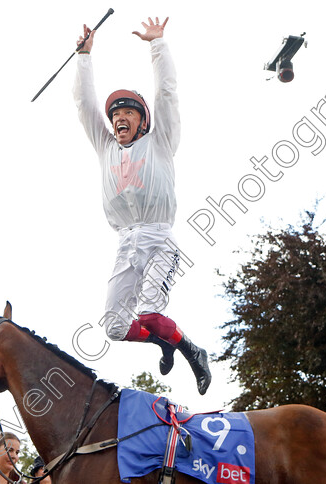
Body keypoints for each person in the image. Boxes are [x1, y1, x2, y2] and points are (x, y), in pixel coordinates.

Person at [73, 16, 211, 394]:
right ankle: (163, 340)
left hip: (158, 237)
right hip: (125, 241)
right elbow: (84, 106)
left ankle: (192, 351)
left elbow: (167, 92)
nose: (120, 118)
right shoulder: (105, 149)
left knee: (150, 312)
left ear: (143, 121)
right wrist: (84, 57)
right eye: (115, 115)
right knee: (114, 327)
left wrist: (158, 45)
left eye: (128, 113)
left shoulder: (161, 141)